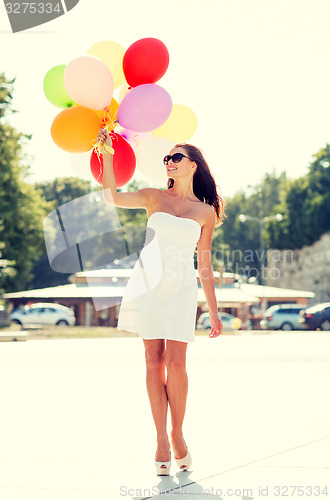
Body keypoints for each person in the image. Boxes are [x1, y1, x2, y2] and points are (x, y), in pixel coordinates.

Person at [97, 128, 225, 476]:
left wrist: (214, 311)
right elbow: (110, 196)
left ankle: (178, 434)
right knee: (153, 361)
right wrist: (107, 153)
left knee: (177, 364)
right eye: (166, 158)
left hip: (181, 288)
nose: (168, 162)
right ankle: (161, 442)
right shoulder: (152, 196)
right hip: (148, 282)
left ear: (194, 165)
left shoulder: (205, 212)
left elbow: (204, 263)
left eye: (175, 157)